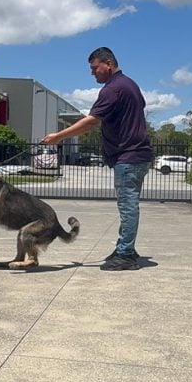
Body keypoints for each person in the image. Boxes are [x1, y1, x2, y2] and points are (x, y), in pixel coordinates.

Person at [41, 47, 153, 271]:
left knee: (128, 206)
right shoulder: (130, 85)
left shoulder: (113, 89)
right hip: (136, 155)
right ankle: (125, 246)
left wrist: (58, 137)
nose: (93, 74)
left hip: (128, 156)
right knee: (127, 206)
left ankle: (127, 254)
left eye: (95, 68)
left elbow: (91, 122)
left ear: (108, 63)